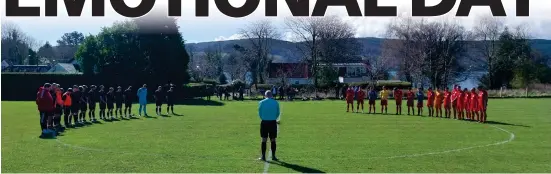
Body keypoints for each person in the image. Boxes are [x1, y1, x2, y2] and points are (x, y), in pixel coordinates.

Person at [258, 90, 280, 162]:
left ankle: (263, 156)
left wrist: (264, 118)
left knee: (264, 139)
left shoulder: (261, 102)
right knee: (273, 139)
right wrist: (273, 118)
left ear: (265, 95)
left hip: (264, 122)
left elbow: (260, 113)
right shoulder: (276, 102)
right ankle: (273, 156)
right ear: (271, 95)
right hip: (273, 123)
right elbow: (278, 113)